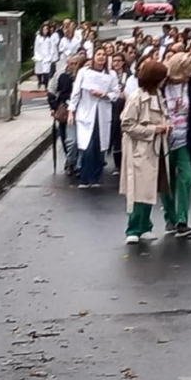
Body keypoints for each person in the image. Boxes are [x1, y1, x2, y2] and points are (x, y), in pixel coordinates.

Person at [120, 58, 170, 245]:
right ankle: (133, 228)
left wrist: (166, 126)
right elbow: (127, 124)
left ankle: (145, 226)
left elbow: (163, 116)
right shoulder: (136, 98)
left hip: (155, 148)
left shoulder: (158, 95)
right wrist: (153, 130)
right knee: (138, 190)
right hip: (139, 149)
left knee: (149, 188)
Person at [160, 53, 191, 237]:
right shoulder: (161, 85)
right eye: (187, 70)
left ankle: (182, 220)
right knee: (166, 180)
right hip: (164, 139)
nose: (190, 74)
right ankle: (170, 217)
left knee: (187, 175)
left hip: (186, 136)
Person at [73, 52, 121, 186]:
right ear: (93, 57)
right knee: (87, 146)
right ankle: (85, 177)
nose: (101, 57)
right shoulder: (84, 72)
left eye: (104, 55)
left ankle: (96, 177)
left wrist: (104, 94)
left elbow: (116, 93)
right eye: (98, 54)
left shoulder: (111, 74)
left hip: (103, 113)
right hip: (86, 113)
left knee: (100, 146)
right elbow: (76, 92)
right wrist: (71, 110)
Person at [32, 22, 59, 88]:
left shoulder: (50, 38)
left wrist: (51, 56)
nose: (45, 31)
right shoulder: (38, 37)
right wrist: (36, 55)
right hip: (39, 56)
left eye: (46, 29)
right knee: (38, 71)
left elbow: (52, 47)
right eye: (44, 29)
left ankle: (46, 85)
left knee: (46, 72)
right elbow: (36, 47)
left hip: (47, 57)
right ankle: (39, 81)